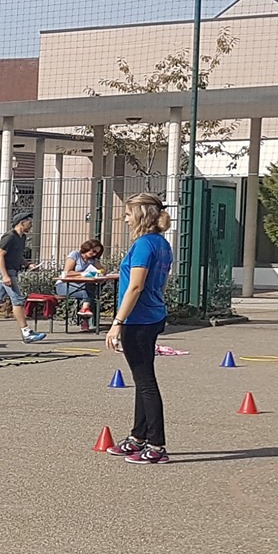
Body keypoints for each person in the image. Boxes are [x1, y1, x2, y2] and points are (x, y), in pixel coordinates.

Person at [105, 194, 174, 465]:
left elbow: (135, 286)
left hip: (139, 321)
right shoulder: (162, 244)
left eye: (127, 213)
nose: (124, 218)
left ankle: (157, 444)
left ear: (141, 214)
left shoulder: (144, 245)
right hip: (153, 315)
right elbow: (162, 281)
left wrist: (117, 322)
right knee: (141, 379)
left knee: (146, 382)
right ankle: (138, 437)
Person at [0, 212, 47, 344]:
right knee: (17, 300)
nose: (31, 225)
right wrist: (5, 275)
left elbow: (17, 255)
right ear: (21, 223)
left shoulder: (22, 237)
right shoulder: (9, 236)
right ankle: (26, 332)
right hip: (6, 272)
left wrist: (27, 264)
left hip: (11, 271)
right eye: (29, 222)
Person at [54, 239, 108, 330]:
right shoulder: (75, 255)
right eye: (94, 251)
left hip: (82, 286)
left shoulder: (92, 260)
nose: (94, 254)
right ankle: (86, 319)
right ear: (88, 247)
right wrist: (83, 274)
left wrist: (98, 271)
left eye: (97, 253)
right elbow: (67, 272)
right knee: (89, 292)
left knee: (90, 289)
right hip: (64, 285)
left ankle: (85, 311)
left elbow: (103, 270)